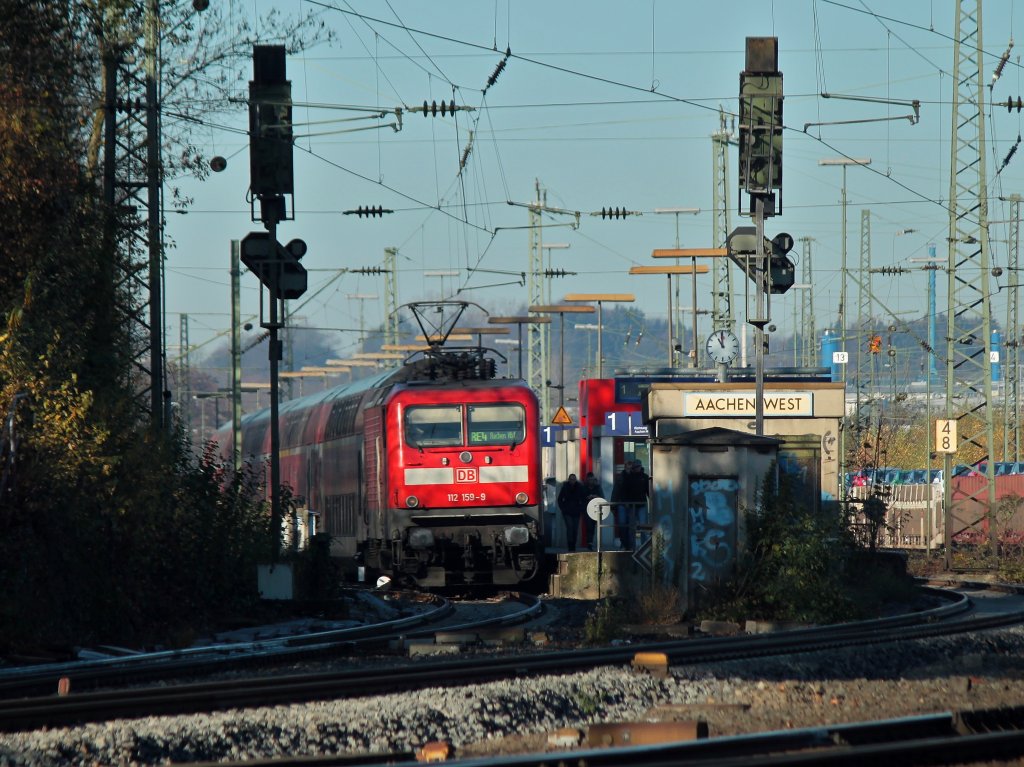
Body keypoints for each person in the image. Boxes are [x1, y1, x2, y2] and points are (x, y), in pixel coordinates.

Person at [556, 473, 587, 551]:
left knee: (575, 529)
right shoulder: (565, 487)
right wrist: (563, 508)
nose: (572, 481)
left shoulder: (580, 487)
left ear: (575, 480)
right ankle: (570, 545)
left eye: (574, 479)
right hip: (567, 511)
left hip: (576, 511)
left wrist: (581, 508)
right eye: (571, 479)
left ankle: (573, 545)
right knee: (570, 528)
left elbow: (584, 499)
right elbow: (560, 499)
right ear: (569, 480)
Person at [582, 471, 605, 549]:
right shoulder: (584, 487)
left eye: (592, 479)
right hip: (587, 509)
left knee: (595, 526)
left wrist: (595, 496)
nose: (590, 481)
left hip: (596, 509)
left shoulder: (598, 487)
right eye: (589, 479)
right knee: (589, 527)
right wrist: (587, 497)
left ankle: (594, 543)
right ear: (587, 480)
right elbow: (581, 498)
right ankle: (590, 543)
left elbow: (602, 497)